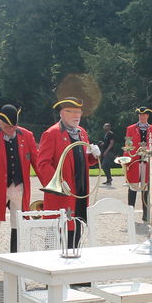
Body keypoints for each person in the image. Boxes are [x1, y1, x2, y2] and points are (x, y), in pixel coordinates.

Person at [0, 104, 39, 277]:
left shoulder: (27, 135)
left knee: (17, 224)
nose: (11, 130)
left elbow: (37, 162)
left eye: (14, 126)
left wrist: (50, 185)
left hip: (19, 187)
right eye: (7, 126)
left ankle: (14, 262)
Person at [36, 97, 100, 245]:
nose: (76, 115)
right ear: (62, 113)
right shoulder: (51, 134)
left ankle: (72, 263)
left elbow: (83, 159)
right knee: (58, 236)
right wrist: (58, 182)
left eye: (79, 112)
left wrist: (94, 156)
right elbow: (43, 164)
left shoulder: (82, 132)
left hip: (80, 192)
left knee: (76, 230)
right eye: (71, 111)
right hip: (62, 194)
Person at [123, 107, 152, 221]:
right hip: (134, 160)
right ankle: (130, 212)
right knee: (132, 188)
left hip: (147, 161)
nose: (142, 116)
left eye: (144, 115)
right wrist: (126, 160)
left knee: (146, 188)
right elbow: (127, 145)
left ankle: (145, 213)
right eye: (140, 115)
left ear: (147, 116)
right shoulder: (131, 128)